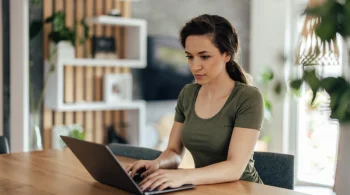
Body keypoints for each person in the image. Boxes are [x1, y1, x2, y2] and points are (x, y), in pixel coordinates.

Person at [126, 14, 264, 192]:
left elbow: (235, 168)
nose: (194, 66)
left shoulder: (248, 97)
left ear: (226, 55)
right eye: (190, 57)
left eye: (204, 57)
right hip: (205, 187)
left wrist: (183, 176)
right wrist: (157, 164)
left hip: (244, 189)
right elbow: (174, 152)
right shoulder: (188, 94)